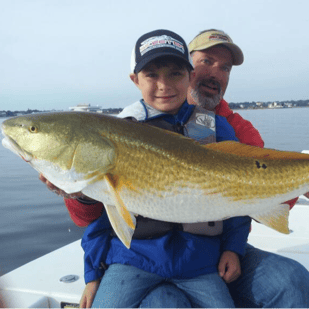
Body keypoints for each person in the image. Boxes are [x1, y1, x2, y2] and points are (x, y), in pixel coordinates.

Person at [41, 29, 309, 308]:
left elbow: (252, 195)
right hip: (137, 260)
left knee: (291, 281)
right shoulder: (123, 130)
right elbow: (96, 217)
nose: (164, 85)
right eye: (207, 61)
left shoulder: (228, 128)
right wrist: (92, 272)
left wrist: (234, 248)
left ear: (187, 75)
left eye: (225, 67)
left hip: (202, 259)